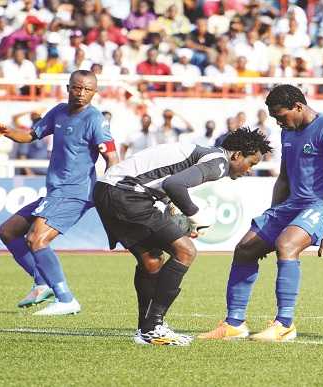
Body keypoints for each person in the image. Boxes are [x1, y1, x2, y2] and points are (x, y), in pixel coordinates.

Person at [198, 84, 323, 342]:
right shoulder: (288, 133)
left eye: (281, 116)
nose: (278, 122)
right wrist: (273, 213)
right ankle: (234, 323)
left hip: (322, 206)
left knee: (286, 245)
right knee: (245, 248)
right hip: (291, 204)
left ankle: (284, 325)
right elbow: (283, 177)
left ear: (298, 107)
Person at [94, 128, 271, 346]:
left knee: (151, 262)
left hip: (107, 190)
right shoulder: (219, 162)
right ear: (236, 155)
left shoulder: (205, 153)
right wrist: (196, 216)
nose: (250, 170)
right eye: (251, 163)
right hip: (126, 193)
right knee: (186, 251)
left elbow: (163, 178)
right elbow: (174, 184)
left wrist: (171, 208)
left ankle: (145, 330)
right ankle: (154, 325)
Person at [0, 70, 119, 316]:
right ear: (68, 87)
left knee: (37, 239)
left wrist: (109, 193)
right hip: (55, 192)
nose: (81, 93)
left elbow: (112, 158)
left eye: (87, 90)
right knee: (8, 232)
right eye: (77, 88)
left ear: (94, 92)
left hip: (77, 192)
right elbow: (30, 135)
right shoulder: (59, 111)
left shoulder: (95, 120)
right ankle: (41, 283)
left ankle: (65, 298)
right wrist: (7, 131)